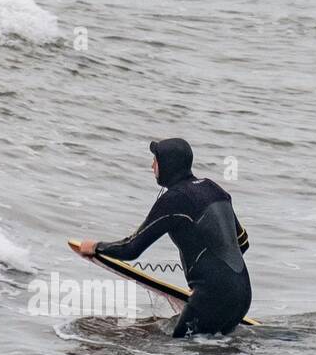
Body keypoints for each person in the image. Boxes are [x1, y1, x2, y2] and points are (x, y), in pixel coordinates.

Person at [75, 138, 251, 337]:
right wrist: (217, 282)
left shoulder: (174, 199)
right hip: (243, 295)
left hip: (212, 298)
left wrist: (96, 246)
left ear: (167, 164)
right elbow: (243, 242)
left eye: (155, 160)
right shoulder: (213, 188)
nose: (152, 165)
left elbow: (131, 248)